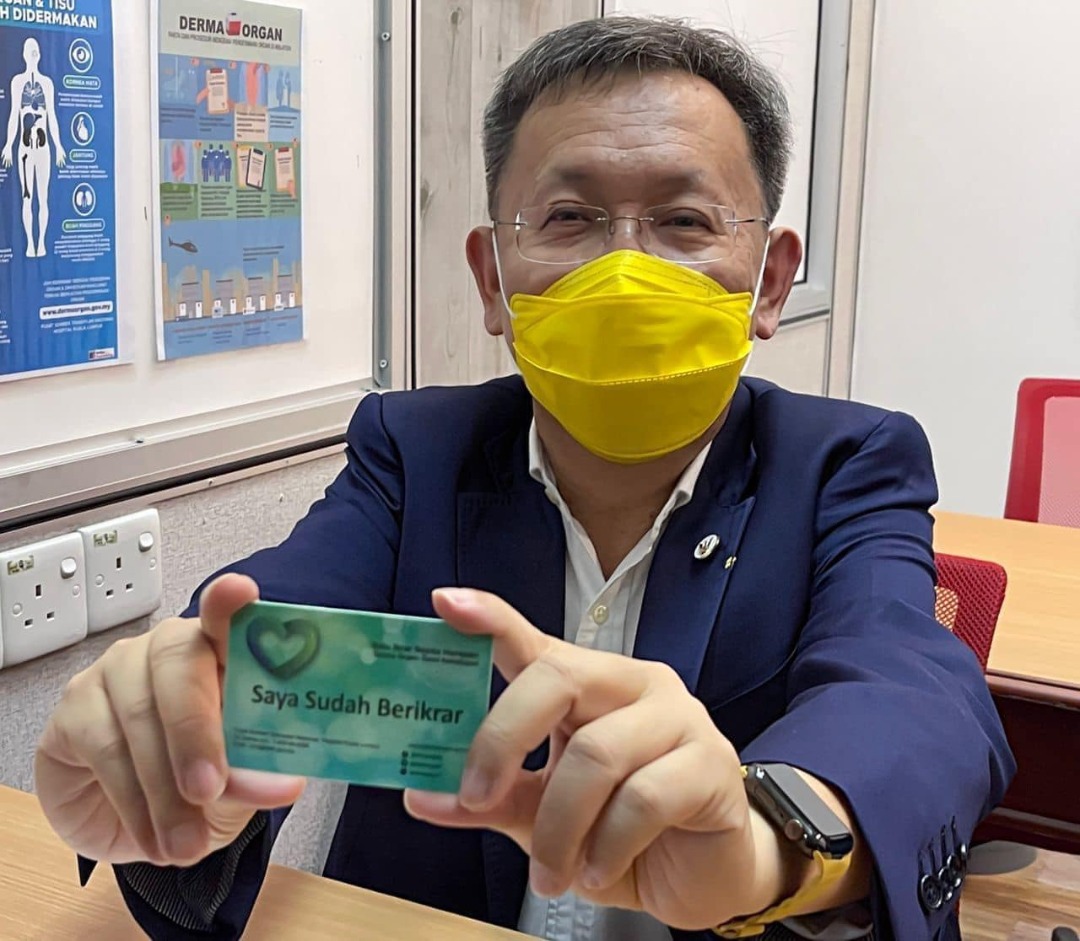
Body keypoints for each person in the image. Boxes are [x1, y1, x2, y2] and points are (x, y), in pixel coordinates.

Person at [35, 16, 1013, 941]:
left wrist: (770, 841)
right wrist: (177, 743)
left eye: (684, 220)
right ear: (493, 278)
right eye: (569, 217)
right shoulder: (417, 450)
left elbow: (909, 690)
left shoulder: (846, 462)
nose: (624, 271)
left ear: (770, 278)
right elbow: (280, 621)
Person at [2, 38, 67, 258]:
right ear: (23, 54)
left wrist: (58, 146)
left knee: (44, 197)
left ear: (39, 55)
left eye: (35, 51)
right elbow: (14, 115)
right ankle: (30, 243)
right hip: (24, 150)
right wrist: (8, 144)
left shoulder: (47, 83)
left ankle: (41, 243)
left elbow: (52, 117)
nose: (33, 55)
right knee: (27, 197)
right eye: (29, 51)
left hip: (43, 148)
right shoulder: (17, 82)